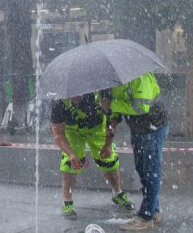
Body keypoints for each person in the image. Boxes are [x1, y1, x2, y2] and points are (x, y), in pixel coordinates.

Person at [49, 91, 134, 220]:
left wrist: (107, 145)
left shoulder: (99, 95)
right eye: (72, 94)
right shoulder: (59, 103)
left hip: (98, 127)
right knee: (68, 165)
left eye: (79, 93)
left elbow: (112, 121)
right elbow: (58, 134)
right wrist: (71, 154)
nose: (76, 97)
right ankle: (67, 203)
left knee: (109, 160)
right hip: (73, 130)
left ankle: (118, 193)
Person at [105, 72, 169, 231]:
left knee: (151, 170)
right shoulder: (116, 81)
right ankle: (153, 210)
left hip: (153, 126)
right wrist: (112, 121)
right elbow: (118, 103)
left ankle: (146, 217)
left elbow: (141, 107)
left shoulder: (140, 78)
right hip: (138, 127)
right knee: (142, 168)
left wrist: (112, 105)